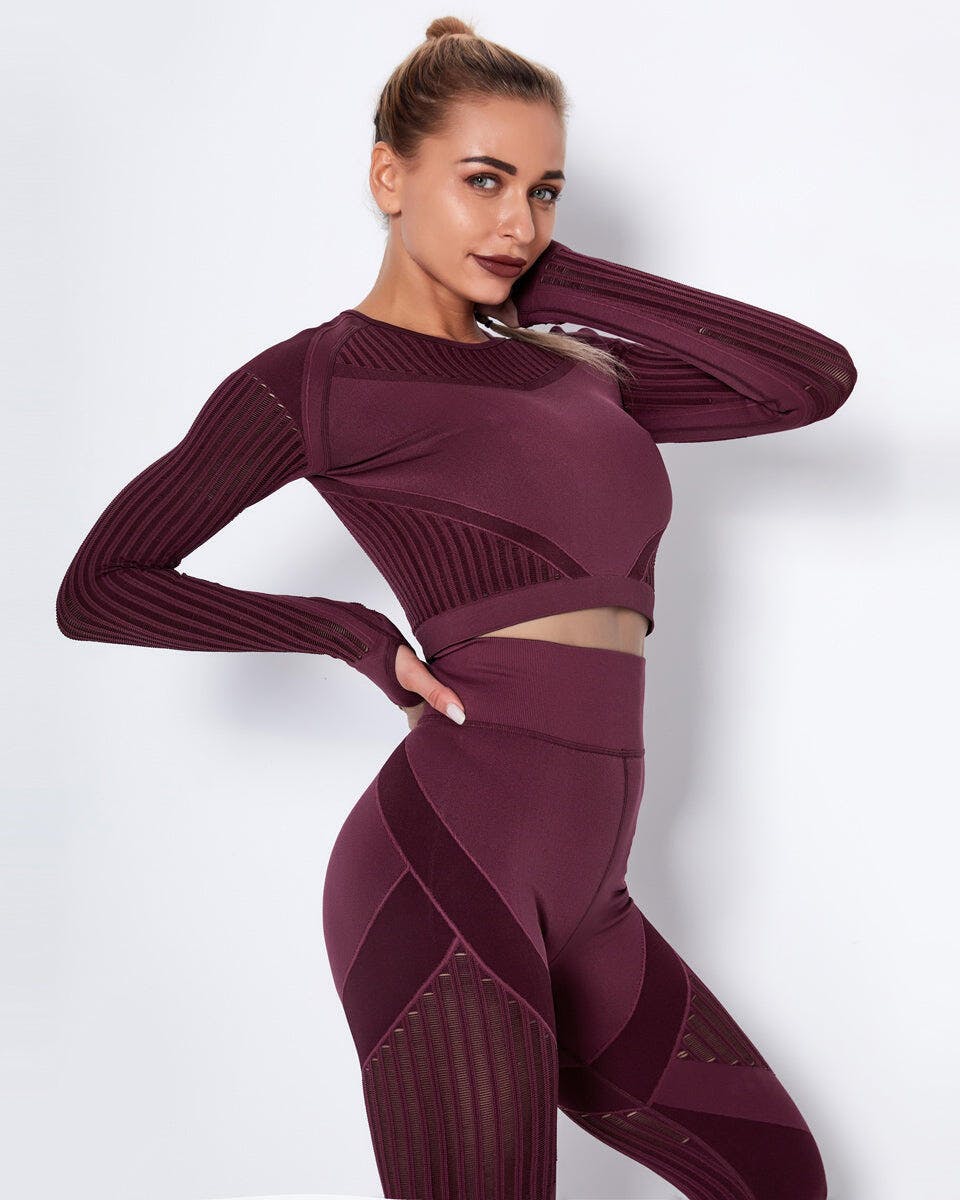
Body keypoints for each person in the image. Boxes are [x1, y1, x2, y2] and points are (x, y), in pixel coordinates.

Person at [55, 15, 857, 1200]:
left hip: (594, 893)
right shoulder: (320, 379)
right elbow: (101, 586)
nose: (517, 221)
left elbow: (807, 380)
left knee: (779, 1176)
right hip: (449, 863)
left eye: (543, 191)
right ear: (391, 176)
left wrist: (558, 280)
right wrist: (352, 635)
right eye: (484, 181)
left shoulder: (578, 369)